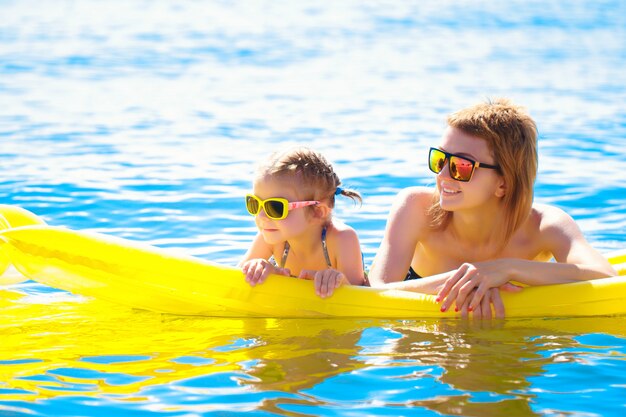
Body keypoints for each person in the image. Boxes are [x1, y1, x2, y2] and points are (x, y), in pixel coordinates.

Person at [368, 98, 617, 318]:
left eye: (461, 166)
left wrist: (506, 268)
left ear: (503, 183)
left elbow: (605, 277)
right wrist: (470, 281)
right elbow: (377, 289)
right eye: (440, 159)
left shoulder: (544, 225)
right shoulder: (416, 207)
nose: (443, 175)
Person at [239, 147, 366, 298]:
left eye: (275, 207)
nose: (261, 215)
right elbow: (233, 286)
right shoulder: (271, 236)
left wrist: (340, 282)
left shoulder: (343, 239)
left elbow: (362, 301)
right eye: (254, 203)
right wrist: (256, 271)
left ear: (318, 211)